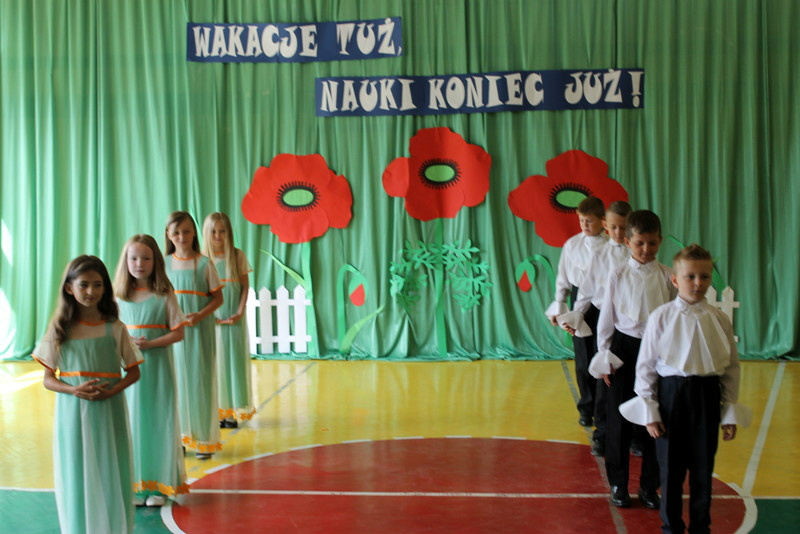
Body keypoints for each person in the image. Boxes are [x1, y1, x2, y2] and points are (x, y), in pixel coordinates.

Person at [620, 244, 750, 534]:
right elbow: (646, 365)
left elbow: (731, 368)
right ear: (675, 279)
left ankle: (701, 527)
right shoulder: (661, 317)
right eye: (690, 276)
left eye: (704, 276)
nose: (698, 283)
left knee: (703, 468)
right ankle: (671, 527)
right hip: (671, 397)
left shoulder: (719, 319)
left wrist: (729, 411)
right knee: (671, 468)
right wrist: (650, 410)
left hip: (707, 396)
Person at [33, 255, 142, 534]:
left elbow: (133, 372)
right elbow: (48, 379)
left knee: (109, 466)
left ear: (106, 287)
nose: (91, 291)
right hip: (72, 412)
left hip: (109, 410)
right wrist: (73, 389)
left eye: (98, 284)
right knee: (75, 470)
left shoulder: (115, 327)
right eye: (84, 284)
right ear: (69, 288)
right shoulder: (60, 329)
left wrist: (112, 390)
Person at [589, 209, 676, 509]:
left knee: (654, 419)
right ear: (628, 242)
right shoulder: (617, 274)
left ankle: (650, 487)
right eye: (640, 243)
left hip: (656, 351)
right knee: (618, 420)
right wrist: (604, 355)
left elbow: (673, 318)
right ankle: (618, 483)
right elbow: (606, 318)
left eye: (652, 243)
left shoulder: (667, 276)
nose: (646, 249)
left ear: (660, 241)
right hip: (623, 350)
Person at [114, 234, 189, 506]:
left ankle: (160, 485)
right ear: (126, 261)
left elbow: (178, 332)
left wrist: (150, 344)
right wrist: (126, 344)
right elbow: (111, 331)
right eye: (134, 258)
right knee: (133, 422)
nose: (139, 264)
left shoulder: (164, 294)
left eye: (146, 258)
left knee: (158, 421)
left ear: (155, 261)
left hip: (158, 370)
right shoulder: (118, 297)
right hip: (129, 370)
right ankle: (136, 485)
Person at [561, 200, 632, 456]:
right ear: (606, 225)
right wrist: (576, 316)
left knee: (630, 377)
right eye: (614, 227)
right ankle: (601, 433)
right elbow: (587, 291)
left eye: (624, 228)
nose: (619, 233)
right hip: (605, 318)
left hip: (629, 323)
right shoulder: (600, 255)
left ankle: (633, 433)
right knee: (604, 374)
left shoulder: (636, 253)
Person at [164, 211, 224, 459]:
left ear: (194, 233)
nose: (182, 237)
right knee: (176, 383)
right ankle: (180, 437)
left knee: (200, 381)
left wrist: (199, 315)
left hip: (200, 332)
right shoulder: (163, 264)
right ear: (168, 235)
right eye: (176, 232)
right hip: (173, 334)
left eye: (187, 231)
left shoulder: (204, 264)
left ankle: (203, 439)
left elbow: (218, 298)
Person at [546, 196, 608, 428]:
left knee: (602, 354)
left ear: (602, 220)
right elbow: (563, 277)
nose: (585, 225)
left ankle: (603, 410)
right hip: (578, 297)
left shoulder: (610, 246)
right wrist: (559, 304)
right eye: (581, 220)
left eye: (589, 221)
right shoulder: (572, 245)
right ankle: (586, 407)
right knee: (582, 357)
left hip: (604, 302)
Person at [202, 212, 255, 428]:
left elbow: (244, 287)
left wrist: (240, 312)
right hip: (212, 320)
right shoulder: (203, 260)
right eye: (213, 231)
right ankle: (217, 412)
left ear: (229, 233)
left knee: (233, 363)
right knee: (216, 364)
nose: (218, 236)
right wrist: (208, 314)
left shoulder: (237, 256)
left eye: (222, 231)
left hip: (234, 318)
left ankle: (231, 412)